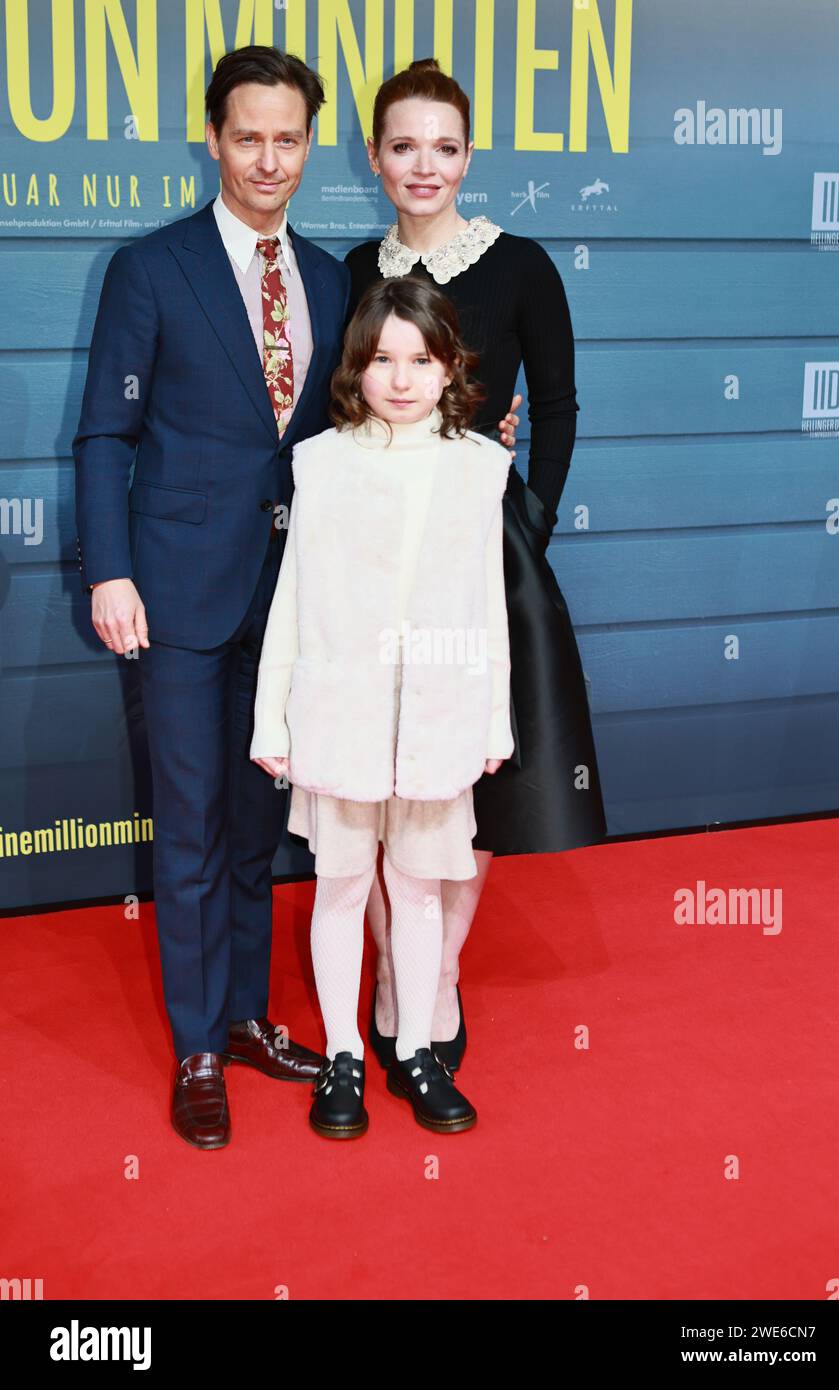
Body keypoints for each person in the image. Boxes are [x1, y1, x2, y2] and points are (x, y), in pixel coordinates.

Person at [71, 46, 347, 1150]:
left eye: (287, 139)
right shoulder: (151, 268)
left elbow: (353, 426)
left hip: (291, 605)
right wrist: (110, 567)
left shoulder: (330, 277)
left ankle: (242, 1018)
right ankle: (195, 1043)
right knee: (185, 828)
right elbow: (106, 430)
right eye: (247, 137)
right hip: (179, 595)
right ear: (212, 138)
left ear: (306, 143)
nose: (267, 159)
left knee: (251, 827)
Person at [343, 59, 608, 1073]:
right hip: (370, 563)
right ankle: (383, 968)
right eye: (403, 147)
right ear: (374, 157)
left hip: (482, 559)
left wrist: (524, 524)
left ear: (467, 156)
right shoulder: (348, 275)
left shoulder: (521, 265)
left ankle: (440, 969)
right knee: (373, 780)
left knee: (468, 777)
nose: (425, 166)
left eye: (444, 147)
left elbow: (559, 405)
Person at [250, 276, 513, 1138]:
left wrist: (494, 717)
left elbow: (489, 604)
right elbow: (293, 597)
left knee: (423, 890)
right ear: (356, 366)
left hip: (439, 713)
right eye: (382, 359)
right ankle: (341, 1057)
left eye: (421, 360)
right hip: (341, 712)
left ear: (449, 369)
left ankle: (413, 1053)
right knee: (338, 887)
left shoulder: (480, 468)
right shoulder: (321, 463)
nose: (400, 379)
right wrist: (271, 717)